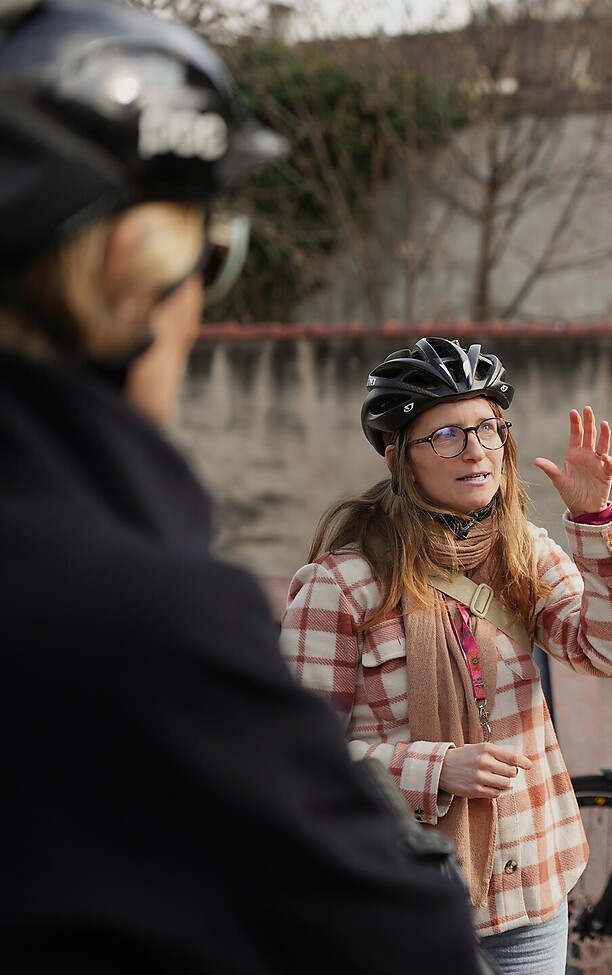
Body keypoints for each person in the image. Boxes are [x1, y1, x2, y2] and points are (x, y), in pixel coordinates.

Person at [0, 1, 484, 970]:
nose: (477, 451)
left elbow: (607, 638)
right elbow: (400, 942)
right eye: (213, 258)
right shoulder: (151, 617)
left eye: (488, 432)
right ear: (128, 272)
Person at [279, 336, 612, 974]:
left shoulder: (524, 553)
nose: (476, 450)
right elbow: (293, 758)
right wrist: (433, 768)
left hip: (529, 890)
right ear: (400, 456)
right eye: (447, 435)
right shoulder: (342, 585)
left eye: (488, 428)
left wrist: (595, 523)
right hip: (397, 899)